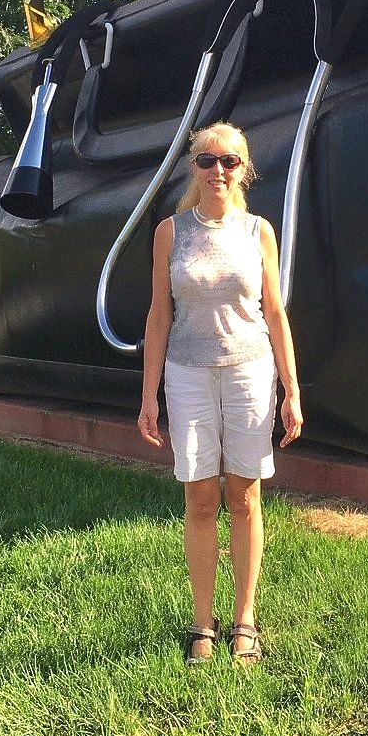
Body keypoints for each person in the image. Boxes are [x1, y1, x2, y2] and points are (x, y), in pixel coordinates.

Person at [137, 121, 303, 666]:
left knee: (246, 496)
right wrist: (148, 396)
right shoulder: (170, 232)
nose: (218, 171)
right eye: (207, 161)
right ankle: (203, 624)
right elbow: (159, 315)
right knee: (200, 498)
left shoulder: (259, 232)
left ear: (243, 169)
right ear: (194, 167)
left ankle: (245, 622)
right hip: (187, 376)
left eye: (229, 161)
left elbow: (275, 313)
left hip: (250, 374)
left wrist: (292, 389)